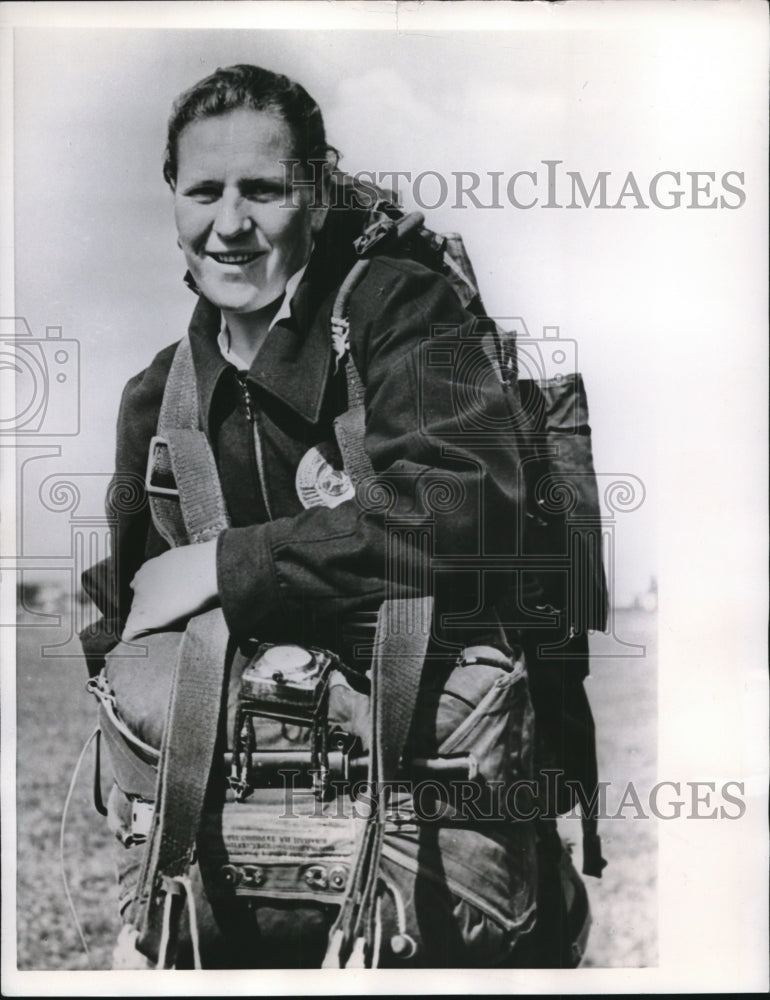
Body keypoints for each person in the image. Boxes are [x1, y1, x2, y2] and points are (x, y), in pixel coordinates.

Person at [80, 63, 537, 969]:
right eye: (204, 190)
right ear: (172, 197)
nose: (231, 224)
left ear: (319, 191)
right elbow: (115, 618)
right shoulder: (156, 401)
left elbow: (468, 512)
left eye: (265, 189)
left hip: (424, 857)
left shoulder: (410, 315)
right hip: (225, 864)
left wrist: (222, 570)